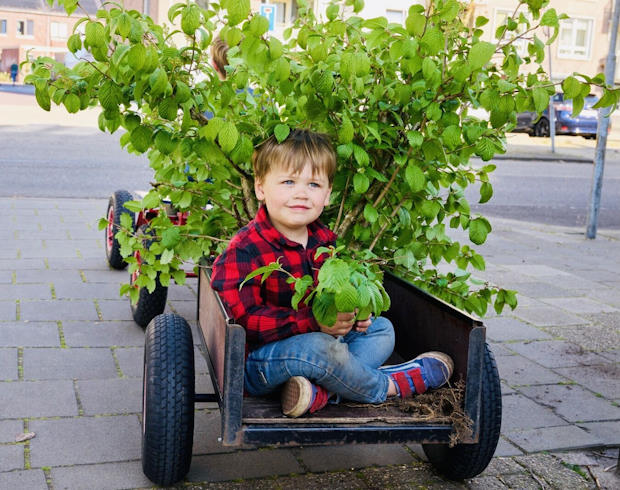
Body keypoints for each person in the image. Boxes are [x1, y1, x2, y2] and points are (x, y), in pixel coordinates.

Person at [210, 129, 454, 418]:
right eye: (288, 181)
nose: (301, 193)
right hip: (263, 363)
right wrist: (312, 323)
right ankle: (387, 385)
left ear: (327, 195)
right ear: (261, 188)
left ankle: (318, 393)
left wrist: (354, 315)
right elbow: (243, 319)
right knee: (320, 346)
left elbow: (334, 297)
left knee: (381, 330)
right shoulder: (245, 249)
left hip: (321, 346)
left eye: (313, 184)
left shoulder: (325, 242)